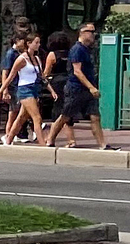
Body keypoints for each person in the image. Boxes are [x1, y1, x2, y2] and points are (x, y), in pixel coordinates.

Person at [42, 22, 110, 150]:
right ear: (82, 32)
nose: (93, 34)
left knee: (95, 116)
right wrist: (91, 87)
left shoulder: (86, 49)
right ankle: (50, 140)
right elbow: (77, 71)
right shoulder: (77, 49)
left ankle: (103, 145)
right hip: (76, 89)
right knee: (65, 116)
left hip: (87, 89)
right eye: (91, 31)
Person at [3, 35, 46, 143]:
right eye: (36, 43)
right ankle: (43, 144)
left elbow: (42, 76)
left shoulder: (36, 59)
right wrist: (2, 91)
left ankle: (8, 140)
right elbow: (9, 75)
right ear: (28, 43)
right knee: (37, 118)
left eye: (39, 42)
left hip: (34, 89)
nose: (38, 45)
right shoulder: (20, 58)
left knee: (21, 118)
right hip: (24, 89)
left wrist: (51, 90)